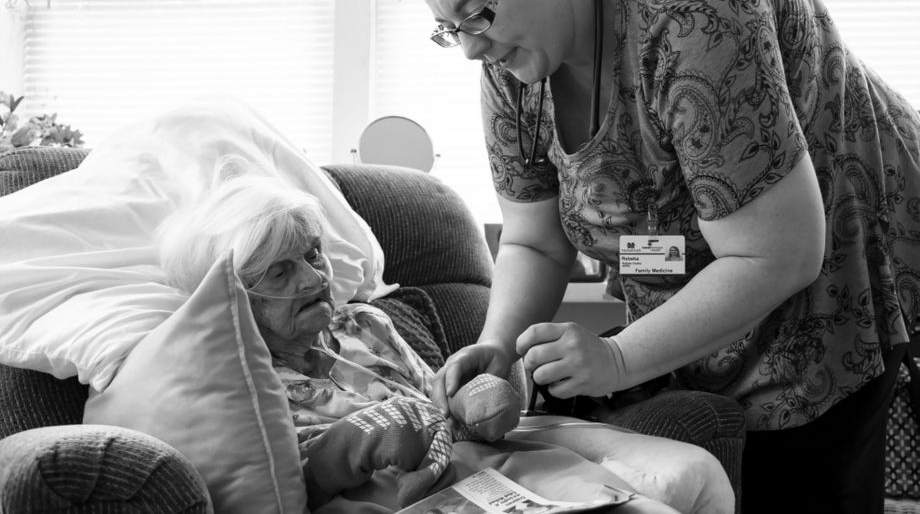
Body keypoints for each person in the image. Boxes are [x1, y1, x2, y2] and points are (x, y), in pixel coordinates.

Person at [404, 0, 920, 514]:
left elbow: (782, 250)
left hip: (833, 266)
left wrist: (616, 360)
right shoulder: (512, 61)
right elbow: (535, 239)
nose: (470, 44)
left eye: (477, 11)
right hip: (718, 273)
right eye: (448, 27)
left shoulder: (696, 15)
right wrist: (496, 344)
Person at [154, 161, 733, 514]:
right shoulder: (236, 380)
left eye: (312, 254)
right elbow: (283, 486)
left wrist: (479, 398)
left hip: (474, 472)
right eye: (280, 271)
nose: (314, 277)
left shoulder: (367, 322)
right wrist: (351, 443)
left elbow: (442, 408)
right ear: (232, 295)